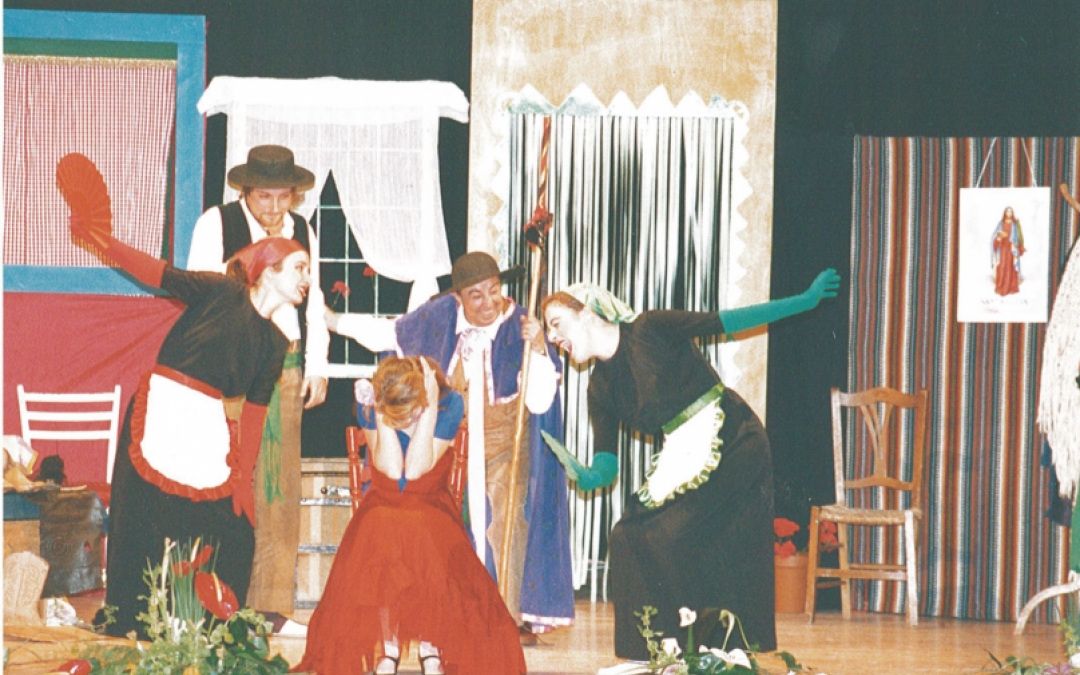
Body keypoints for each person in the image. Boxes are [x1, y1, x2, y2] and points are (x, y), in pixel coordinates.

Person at [539, 270, 841, 660]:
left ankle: (716, 643)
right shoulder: (600, 387)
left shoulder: (649, 329)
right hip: (683, 449)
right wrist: (587, 475)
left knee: (674, 534)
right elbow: (607, 461)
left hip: (731, 437)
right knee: (628, 536)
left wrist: (804, 300)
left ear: (587, 312)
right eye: (549, 331)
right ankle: (656, 650)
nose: (552, 337)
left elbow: (727, 321)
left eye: (557, 323)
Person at [65, 206, 312, 637]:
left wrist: (243, 477)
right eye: (299, 267)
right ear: (270, 270)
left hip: (206, 423)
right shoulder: (222, 290)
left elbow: (254, 413)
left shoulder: (276, 342)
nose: (308, 278)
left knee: (233, 528)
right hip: (165, 407)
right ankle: (135, 619)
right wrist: (103, 241)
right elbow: (160, 273)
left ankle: (211, 620)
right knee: (142, 516)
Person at [327, 251, 573, 638]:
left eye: (494, 290)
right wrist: (331, 321)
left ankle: (503, 617)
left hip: (505, 450)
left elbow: (541, 401)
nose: (489, 302)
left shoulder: (520, 325)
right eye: (476, 295)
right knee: (434, 523)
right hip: (447, 449)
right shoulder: (438, 317)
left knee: (504, 518)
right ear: (458, 298)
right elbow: (386, 333)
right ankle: (444, 619)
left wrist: (540, 348)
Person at [296, 356, 526, 675]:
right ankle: (389, 648)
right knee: (384, 529)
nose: (407, 422)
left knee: (420, 532)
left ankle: (431, 646)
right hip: (383, 503)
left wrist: (428, 410)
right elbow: (391, 471)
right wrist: (380, 412)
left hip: (431, 504)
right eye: (399, 418)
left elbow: (416, 471)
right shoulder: (373, 403)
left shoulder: (449, 404)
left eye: (411, 413)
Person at [186, 144, 329, 618]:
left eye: (283, 197)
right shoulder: (216, 223)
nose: (273, 207)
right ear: (246, 191)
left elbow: (313, 301)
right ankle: (216, 603)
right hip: (232, 367)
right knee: (227, 481)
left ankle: (271, 609)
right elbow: (202, 298)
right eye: (264, 196)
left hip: (286, 366)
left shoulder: (303, 230)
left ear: (294, 196)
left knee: (278, 489)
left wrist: (318, 365)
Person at [992, 206, 1025, 297]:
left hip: (1011, 249)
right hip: (1003, 248)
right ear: (1005, 213)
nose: (1009, 213)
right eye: (1007, 211)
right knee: (1002, 266)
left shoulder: (1015, 224)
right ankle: (1001, 287)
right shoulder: (1001, 223)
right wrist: (998, 238)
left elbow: (1019, 237)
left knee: (1010, 267)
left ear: (1012, 213)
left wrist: (1017, 245)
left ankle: (1011, 287)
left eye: (1010, 211)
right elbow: (995, 235)